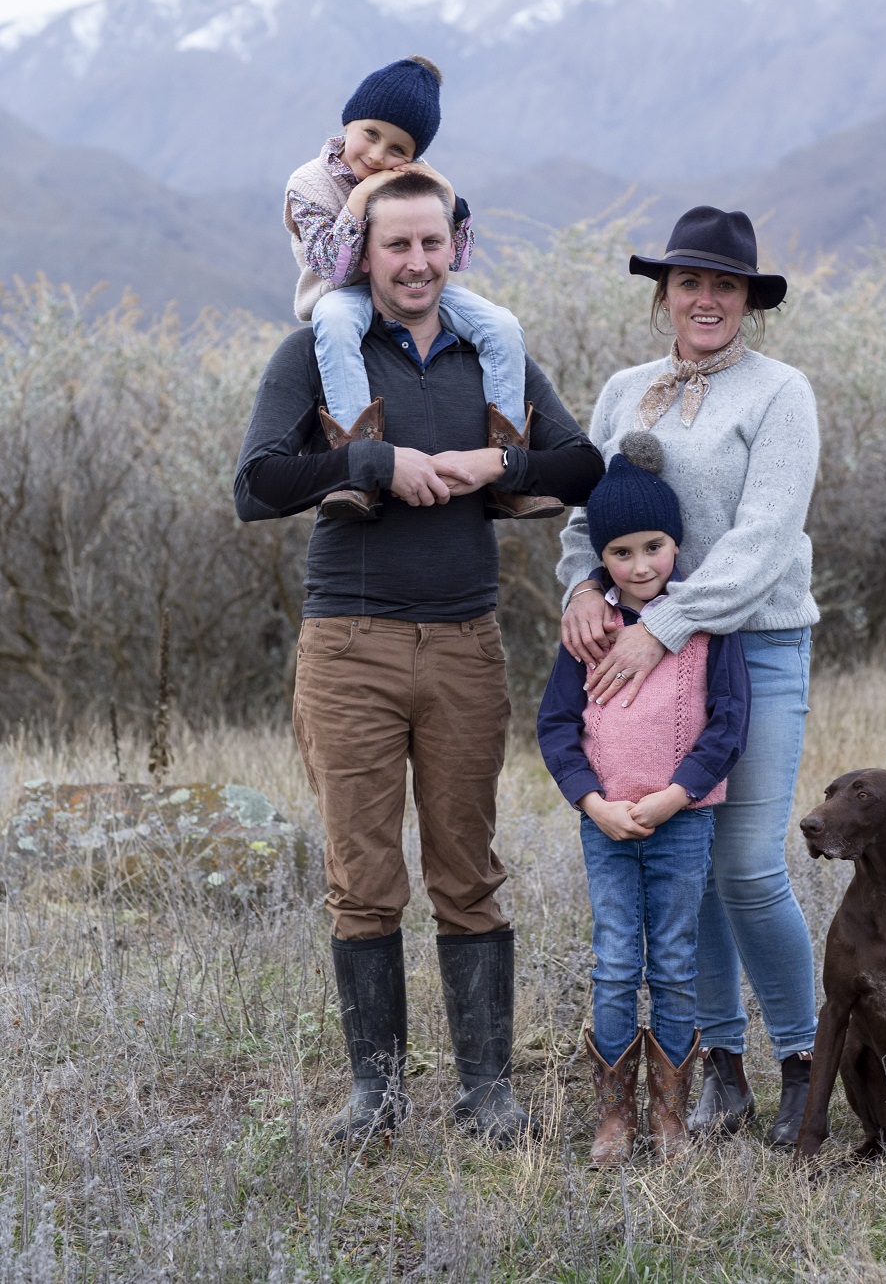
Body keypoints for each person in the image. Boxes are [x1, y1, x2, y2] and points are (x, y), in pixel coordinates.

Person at [235, 171, 604, 1147]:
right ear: (361, 251)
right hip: (346, 643)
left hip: (463, 640)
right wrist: (371, 462)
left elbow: (580, 465)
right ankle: (379, 1094)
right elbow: (258, 482)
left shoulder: (493, 350)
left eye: (430, 243)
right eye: (394, 245)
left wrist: (499, 464)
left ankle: (486, 1092)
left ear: (456, 246)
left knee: (466, 870)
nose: (415, 262)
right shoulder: (318, 348)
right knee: (362, 875)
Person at [557, 205, 821, 1148]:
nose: (706, 299)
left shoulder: (779, 392)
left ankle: (804, 1063)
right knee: (689, 874)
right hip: (638, 663)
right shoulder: (625, 390)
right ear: (663, 294)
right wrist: (582, 590)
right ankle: (717, 1073)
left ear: (749, 300)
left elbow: (763, 541)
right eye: (690, 282)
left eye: (726, 285)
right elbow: (589, 520)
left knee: (747, 869)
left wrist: (662, 625)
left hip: (752, 646)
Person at [537, 432, 750, 1166]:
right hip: (607, 828)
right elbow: (556, 730)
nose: (639, 566)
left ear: (675, 542)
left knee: (675, 962)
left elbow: (728, 727)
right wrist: (593, 805)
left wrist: (673, 797)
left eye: (653, 547)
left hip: (681, 823)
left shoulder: (704, 629)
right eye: (621, 554)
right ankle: (614, 1119)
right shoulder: (589, 634)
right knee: (616, 960)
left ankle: (671, 1116)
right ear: (602, 560)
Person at [284, 53, 557, 521]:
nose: (377, 155)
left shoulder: (418, 180)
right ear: (349, 122)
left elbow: (461, 258)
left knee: (500, 324)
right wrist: (360, 196)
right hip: (342, 293)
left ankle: (507, 469)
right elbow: (332, 265)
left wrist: (446, 193)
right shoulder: (309, 183)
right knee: (334, 322)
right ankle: (358, 468)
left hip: (414, 286)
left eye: (398, 149)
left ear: (413, 154)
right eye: (370, 134)